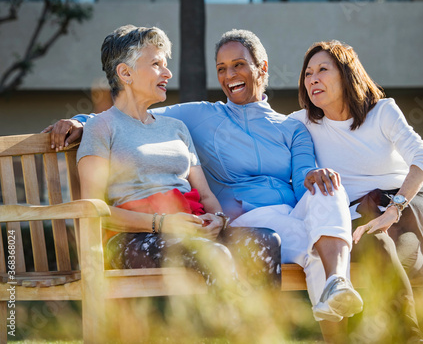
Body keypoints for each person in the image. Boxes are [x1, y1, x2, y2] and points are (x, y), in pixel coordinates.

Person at [44, 29, 362, 324]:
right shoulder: (196, 115)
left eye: (238, 64)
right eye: (221, 67)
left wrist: (217, 217)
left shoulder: (285, 128)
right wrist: (79, 121)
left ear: (262, 68)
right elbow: (96, 193)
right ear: (126, 72)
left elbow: (298, 177)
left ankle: (328, 286)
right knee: (309, 248)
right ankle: (264, 324)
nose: (228, 75)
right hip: (149, 231)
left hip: (229, 222)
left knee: (295, 221)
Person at [76, 25, 278, 291]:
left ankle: (262, 331)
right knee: (213, 254)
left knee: (267, 240)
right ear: (125, 73)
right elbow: (92, 210)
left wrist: (217, 219)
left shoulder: (175, 128)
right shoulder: (102, 127)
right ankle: (237, 329)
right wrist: (162, 223)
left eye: (166, 64)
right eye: (157, 64)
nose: (167, 73)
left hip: (187, 229)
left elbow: (205, 196)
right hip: (132, 238)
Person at [290, 40, 423, 340]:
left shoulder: (382, 112)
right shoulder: (301, 123)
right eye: (308, 73)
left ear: (346, 75)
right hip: (354, 217)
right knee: (376, 245)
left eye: (322, 70)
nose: (312, 79)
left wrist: (395, 208)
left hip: (402, 209)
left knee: (397, 254)